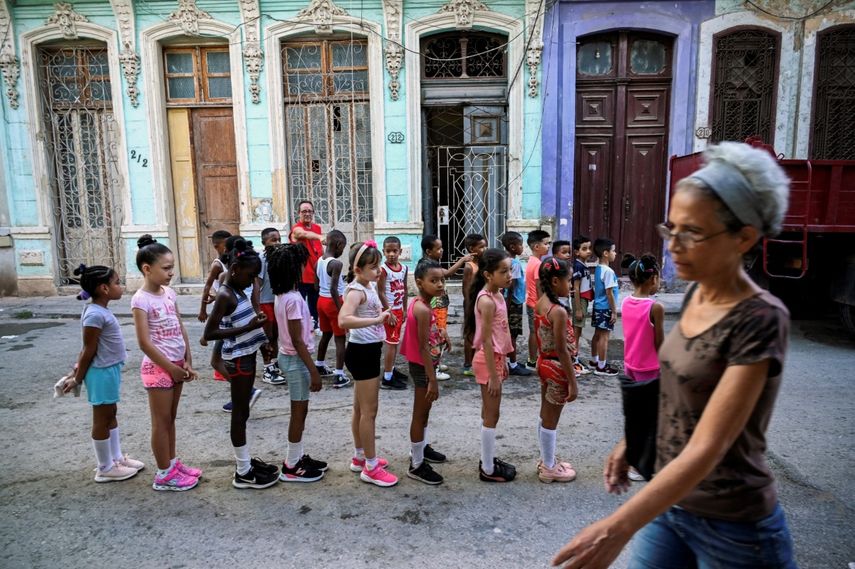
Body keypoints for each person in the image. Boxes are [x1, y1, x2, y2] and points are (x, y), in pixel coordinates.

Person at [552, 141, 795, 569]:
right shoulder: (699, 293)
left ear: (744, 237)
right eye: (672, 230)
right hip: (671, 503)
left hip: (736, 529)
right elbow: (675, 381)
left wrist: (616, 527)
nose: (673, 247)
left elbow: (710, 445)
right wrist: (633, 438)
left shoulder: (760, 318)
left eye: (693, 233)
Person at [202, 238, 279, 490]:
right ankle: (243, 471)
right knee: (239, 414)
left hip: (247, 357)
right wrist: (249, 327)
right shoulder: (225, 294)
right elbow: (210, 332)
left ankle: (245, 463)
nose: (253, 280)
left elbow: (242, 323)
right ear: (235, 270)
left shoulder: (239, 289)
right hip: (237, 361)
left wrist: (262, 340)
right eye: (250, 275)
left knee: (243, 412)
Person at [62, 264, 144, 483]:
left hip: (109, 369)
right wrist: (77, 377)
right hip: (101, 372)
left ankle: (116, 458)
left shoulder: (100, 311)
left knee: (111, 413)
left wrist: (76, 371)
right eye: (117, 282)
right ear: (104, 289)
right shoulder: (94, 315)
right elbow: (88, 349)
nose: (121, 286)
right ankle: (104, 467)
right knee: (101, 419)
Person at [131, 235, 201, 492]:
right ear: (147, 269)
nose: (172, 273)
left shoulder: (169, 293)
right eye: (166, 268)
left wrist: (187, 361)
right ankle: (163, 474)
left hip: (176, 364)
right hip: (158, 368)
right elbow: (144, 343)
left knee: (170, 419)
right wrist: (170, 367)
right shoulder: (140, 300)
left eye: (172, 267)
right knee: (161, 422)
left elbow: (179, 326)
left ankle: (172, 464)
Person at [268, 243, 328, 482]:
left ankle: (298, 456)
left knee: (300, 411)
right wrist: (313, 371)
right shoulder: (292, 299)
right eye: (302, 265)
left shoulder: (283, 295)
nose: (306, 268)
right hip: (295, 361)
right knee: (298, 412)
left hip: (292, 358)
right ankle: (291, 465)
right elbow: (296, 339)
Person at [338, 240, 396, 487]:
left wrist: (383, 316)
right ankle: (370, 467)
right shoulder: (356, 291)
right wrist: (375, 321)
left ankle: (360, 456)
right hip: (362, 353)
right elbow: (344, 320)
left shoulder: (366, 285)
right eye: (373, 267)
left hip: (367, 350)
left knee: (361, 409)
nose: (379, 270)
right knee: (369, 412)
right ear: (357, 269)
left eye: (379, 265)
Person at [465, 248, 517, 483]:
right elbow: (486, 339)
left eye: (510, 270)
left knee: (490, 412)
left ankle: (488, 459)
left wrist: (503, 362)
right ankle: (487, 468)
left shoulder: (496, 294)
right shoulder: (486, 300)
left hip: (495, 359)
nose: (509, 276)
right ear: (488, 274)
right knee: (492, 415)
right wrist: (494, 375)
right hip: (488, 361)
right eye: (503, 271)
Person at [400, 259, 451, 485]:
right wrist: (432, 379)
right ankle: (416, 464)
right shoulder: (421, 308)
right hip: (423, 368)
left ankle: (421, 448)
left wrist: (441, 333)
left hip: (425, 365)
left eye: (441, 280)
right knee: (419, 414)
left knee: (424, 413)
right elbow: (422, 347)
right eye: (434, 281)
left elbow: (427, 334)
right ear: (420, 282)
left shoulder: (423, 303)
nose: (440, 284)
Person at [619, 253, 665, 483]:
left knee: (636, 416)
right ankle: (641, 466)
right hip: (651, 369)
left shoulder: (626, 302)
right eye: (659, 277)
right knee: (651, 418)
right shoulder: (655, 307)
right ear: (652, 279)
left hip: (631, 365)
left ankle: (634, 462)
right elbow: (660, 343)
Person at [534, 258, 579, 483]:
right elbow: (562, 350)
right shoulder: (558, 311)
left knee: (545, 414)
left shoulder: (541, 303)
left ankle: (546, 459)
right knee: (552, 419)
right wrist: (573, 381)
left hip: (544, 364)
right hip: (557, 368)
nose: (570, 285)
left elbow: (538, 337)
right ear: (554, 281)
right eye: (568, 280)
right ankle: (550, 467)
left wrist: (538, 362)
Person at [420, 235, 471, 381]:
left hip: (440, 303)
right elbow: (448, 273)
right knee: (437, 335)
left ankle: (436, 362)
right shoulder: (429, 266)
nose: (442, 251)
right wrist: (462, 260)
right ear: (429, 251)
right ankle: (434, 368)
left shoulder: (430, 262)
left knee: (439, 334)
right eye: (438, 248)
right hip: (436, 304)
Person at [314, 229, 351, 388]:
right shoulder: (336, 263)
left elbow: (316, 285)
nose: (342, 251)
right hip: (333, 302)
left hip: (321, 302)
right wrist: (342, 309)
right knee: (340, 338)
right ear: (339, 244)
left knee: (326, 335)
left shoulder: (318, 261)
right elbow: (334, 289)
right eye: (343, 248)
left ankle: (319, 364)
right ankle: (339, 375)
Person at [378, 236, 409, 390]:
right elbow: (381, 292)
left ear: (400, 251)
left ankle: (391, 369)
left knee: (395, 342)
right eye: (388, 251)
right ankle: (387, 377)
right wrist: (388, 312)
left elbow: (405, 289)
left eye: (394, 251)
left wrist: (404, 308)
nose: (391, 254)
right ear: (383, 252)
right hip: (389, 311)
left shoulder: (404, 268)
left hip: (398, 310)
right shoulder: (383, 270)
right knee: (391, 344)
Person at [500, 231, 532, 377]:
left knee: (509, 333)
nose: (522, 248)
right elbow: (511, 286)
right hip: (513, 302)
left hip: (510, 301)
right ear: (512, 247)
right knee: (512, 333)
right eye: (520, 245)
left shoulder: (505, 260)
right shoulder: (515, 264)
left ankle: (509, 361)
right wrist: (507, 305)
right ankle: (512, 364)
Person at [289, 200, 324, 332]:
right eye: (304, 211)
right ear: (299, 213)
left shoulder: (317, 228)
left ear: (313, 213)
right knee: (300, 304)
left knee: (315, 303)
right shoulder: (296, 228)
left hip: (315, 275)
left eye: (310, 211)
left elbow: (321, 250)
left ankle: (314, 325)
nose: (307, 213)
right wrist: (320, 237)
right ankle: (300, 328)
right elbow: (302, 234)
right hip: (301, 275)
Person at [258, 227, 287, 385]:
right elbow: (258, 283)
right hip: (264, 302)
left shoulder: (278, 258)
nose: (277, 243)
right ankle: (267, 368)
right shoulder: (262, 259)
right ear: (264, 242)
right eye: (273, 240)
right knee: (267, 337)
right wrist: (257, 308)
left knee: (275, 335)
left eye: (278, 240)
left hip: (275, 301)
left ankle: (274, 362)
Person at [590, 238, 619, 376]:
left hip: (598, 306)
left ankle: (595, 360)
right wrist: (614, 311)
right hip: (605, 308)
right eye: (613, 251)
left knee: (597, 335)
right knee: (604, 337)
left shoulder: (598, 268)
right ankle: (601, 366)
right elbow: (609, 293)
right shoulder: (608, 271)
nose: (615, 253)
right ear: (606, 253)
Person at [461, 233, 487, 377]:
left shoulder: (482, 264)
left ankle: (476, 361)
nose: (484, 249)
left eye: (485, 246)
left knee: (479, 332)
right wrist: (470, 306)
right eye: (481, 247)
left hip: (480, 304)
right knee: (469, 334)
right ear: (472, 248)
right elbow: (465, 289)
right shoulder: (469, 267)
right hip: (471, 304)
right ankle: (467, 363)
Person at [525, 230, 551, 368]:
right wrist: (543, 304)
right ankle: (533, 360)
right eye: (546, 244)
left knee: (534, 331)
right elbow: (539, 285)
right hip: (536, 303)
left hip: (532, 302)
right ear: (536, 246)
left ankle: (533, 358)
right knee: (536, 332)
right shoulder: (538, 264)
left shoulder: (532, 261)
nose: (548, 246)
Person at [197, 229, 231, 323]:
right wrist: (203, 310)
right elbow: (207, 287)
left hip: (231, 303)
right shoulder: (217, 265)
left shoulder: (231, 260)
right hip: (221, 306)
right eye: (226, 244)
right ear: (216, 246)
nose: (229, 247)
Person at [571, 236, 594, 374]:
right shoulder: (578, 266)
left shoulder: (583, 265)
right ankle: (574, 360)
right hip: (579, 301)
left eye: (589, 248)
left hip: (584, 300)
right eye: (584, 249)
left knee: (578, 331)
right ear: (577, 252)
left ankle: (576, 357)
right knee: (576, 331)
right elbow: (576, 288)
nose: (588, 251)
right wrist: (578, 308)